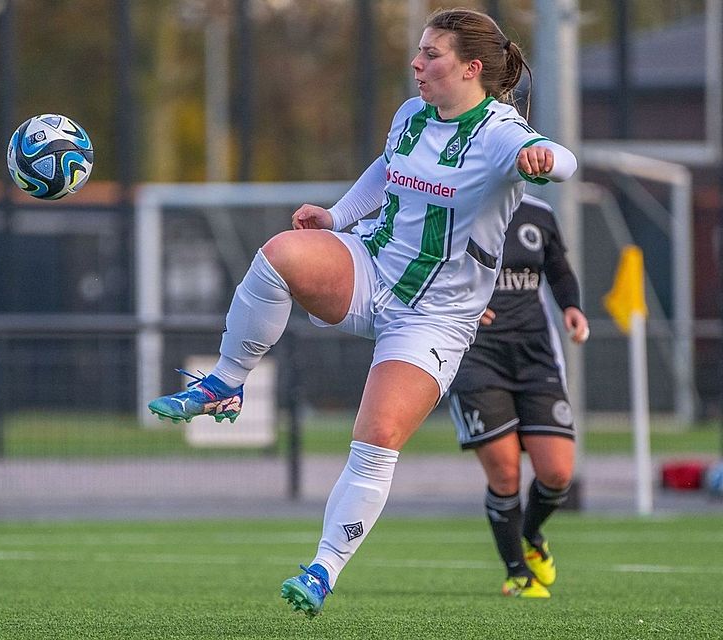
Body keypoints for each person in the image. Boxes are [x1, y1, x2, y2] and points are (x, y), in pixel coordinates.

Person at [148, 7, 577, 616]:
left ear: (471, 69)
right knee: (280, 255)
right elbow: (385, 172)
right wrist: (336, 217)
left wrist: (546, 161)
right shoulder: (410, 115)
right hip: (370, 267)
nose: (417, 63)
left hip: (434, 318)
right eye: (419, 50)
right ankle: (226, 382)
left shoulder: (502, 133)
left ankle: (323, 569)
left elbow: (563, 159)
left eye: (432, 54)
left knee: (375, 439)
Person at [447, 193, 588, 599]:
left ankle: (530, 533)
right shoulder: (452, 205)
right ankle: (517, 572)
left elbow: (559, 271)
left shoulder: (539, 212)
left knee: (557, 472)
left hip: (535, 357)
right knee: (505, 472)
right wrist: (460, 304)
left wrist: (572, 308)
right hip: (475, 354)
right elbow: (426, 270)